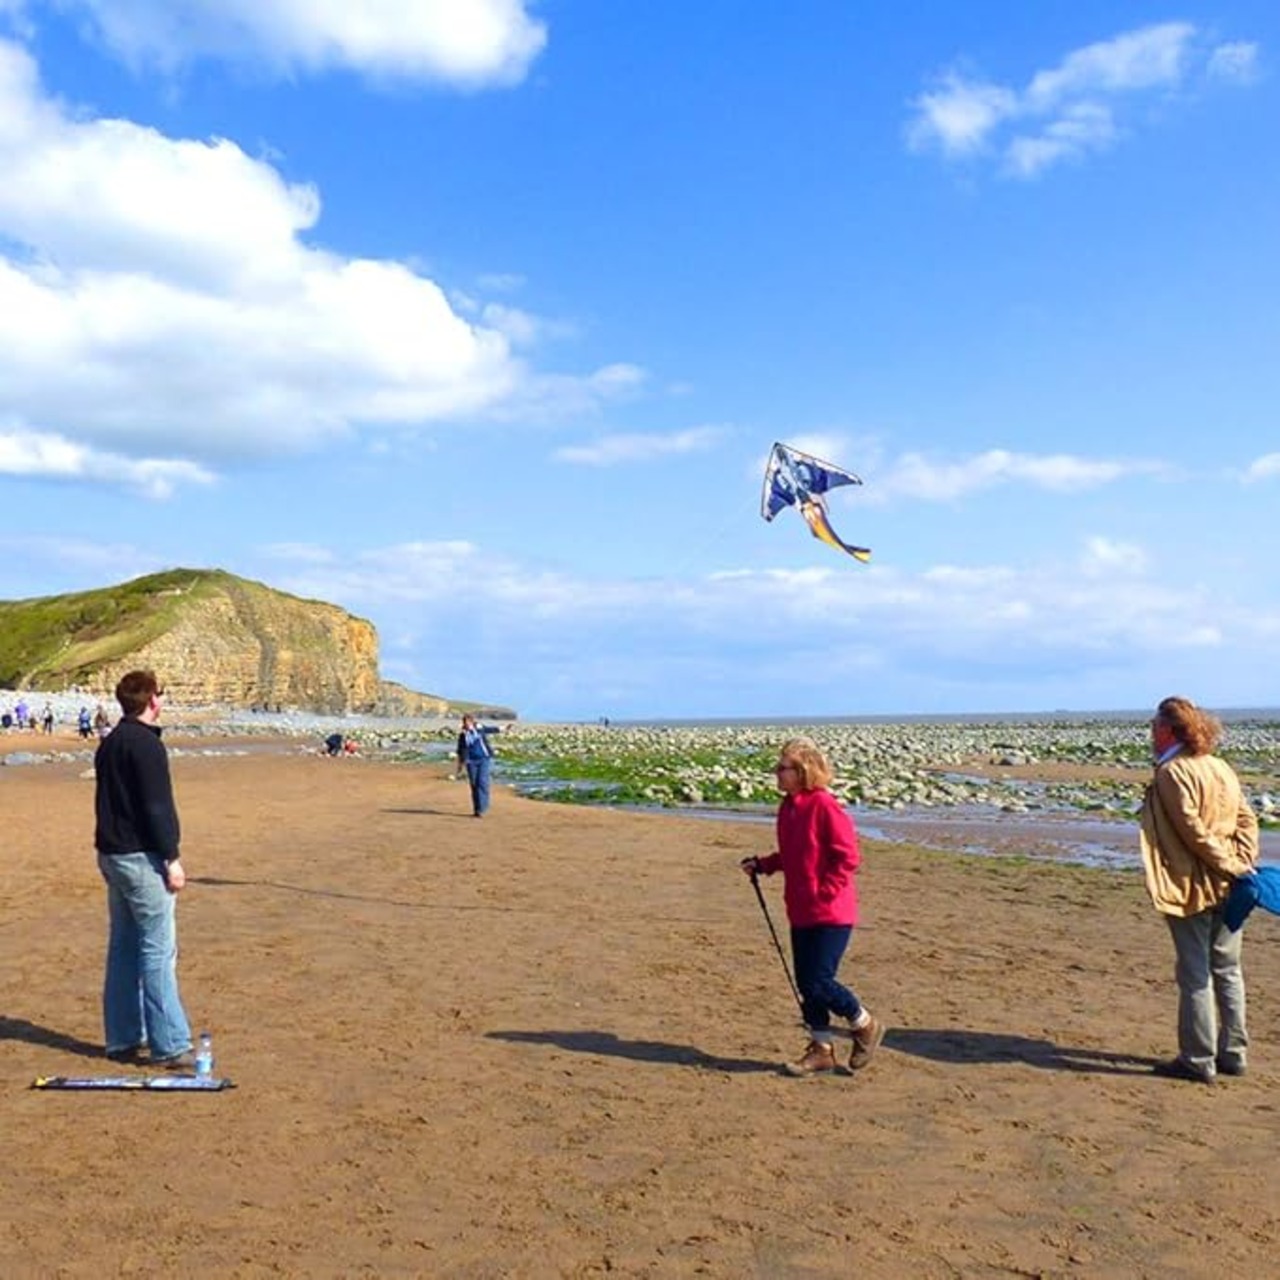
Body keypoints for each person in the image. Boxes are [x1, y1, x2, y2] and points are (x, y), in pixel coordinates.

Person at [740, 736, 885, 1077]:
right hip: (801, 909)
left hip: (831, 912)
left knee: (819, 980)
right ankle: (821, 1049)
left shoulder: (823, 805)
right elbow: (794, 855)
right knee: (806, 984)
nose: (776, 773)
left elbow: (848, 856)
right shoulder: (788, 808)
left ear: (803, 771)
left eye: (783, 768)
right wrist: (764, 864)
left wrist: (825, 891)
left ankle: (864, 1023)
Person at [1140, 696, 1259, 1084]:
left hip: (1192, 883)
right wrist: (1241, 861)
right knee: (1226, 968)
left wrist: (1232, 864)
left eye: (1153, 726)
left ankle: (1198, 1058)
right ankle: (1233, 1053)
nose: (1151, 733)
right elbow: (1246, 820)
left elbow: (1193, 831)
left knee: (1196, 972)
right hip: (1230, 880)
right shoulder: (1219, 766)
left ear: (1167, 730)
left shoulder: (1172, 772)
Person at [93, 670, 193, 1067]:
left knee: (124, 947)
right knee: (156, 950)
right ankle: (169, 1043)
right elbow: (156, 807)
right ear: (152, 699)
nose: (162, 700)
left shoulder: (111, 742)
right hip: (137, 857)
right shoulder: (144, 745)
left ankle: (122, 1038)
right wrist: (172, 858)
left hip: (113, 855)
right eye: (161, 694)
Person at [455, 713, 495, 817]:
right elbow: (460, 751)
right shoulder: (463, 736)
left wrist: (504, 728)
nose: (467, 724)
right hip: (470, 761)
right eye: (465, 722)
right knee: (474, 784)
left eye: (468, 722)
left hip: (483, 759)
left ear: (472, 722)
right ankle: (477, 809)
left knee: (482, 782)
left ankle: (482, 808)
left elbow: (491, 729)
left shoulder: (479, 729)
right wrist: (460, 766)